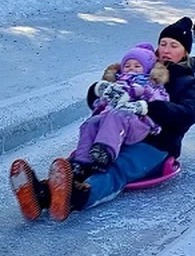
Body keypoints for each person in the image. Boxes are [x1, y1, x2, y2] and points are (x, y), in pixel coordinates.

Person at [8, 17, 195, 222]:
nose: (166, 49)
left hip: (156, 141)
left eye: (174, 45)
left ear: (185, 52)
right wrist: (98, 90)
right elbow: (102, 97)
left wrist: (150, 107)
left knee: (117, 166)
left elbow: (190, 112)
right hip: (117, 129)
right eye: (163, 43)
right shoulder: (141, 67)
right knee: (80, 159)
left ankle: (79, 196)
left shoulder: (191, 84)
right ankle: (41, 193)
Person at [69, 42, 170, 180]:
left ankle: (104, 154)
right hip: (112, 120)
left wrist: (139, 99)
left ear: (147, 69)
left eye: (137, 66)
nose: (131, 69)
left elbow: (159, 101)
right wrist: (102, 101)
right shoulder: (117, 83)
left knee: (116, 116)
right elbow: (104, 102)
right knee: (91, 123)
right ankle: (82, 162)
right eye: (127, 66)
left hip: (138, 124)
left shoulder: (150, 84)